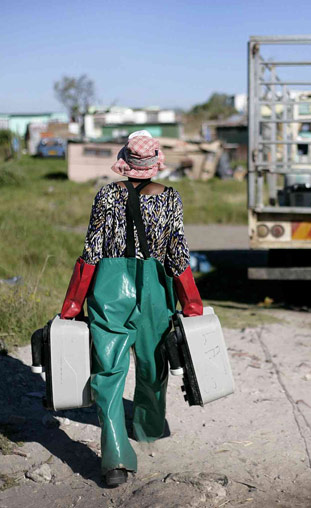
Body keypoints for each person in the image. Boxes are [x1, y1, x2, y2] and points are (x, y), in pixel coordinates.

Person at [59, 131, 203, 487]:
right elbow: (177, 254)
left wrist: (73, 303)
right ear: (154, 165)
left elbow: (91, 250)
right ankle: (148, 428)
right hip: (153, 287)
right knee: (153, 365)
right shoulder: (170, 197)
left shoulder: (106, 195)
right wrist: (192, 302)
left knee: (109, 371)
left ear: (126, 163)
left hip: (109, 287)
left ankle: (115, 461)